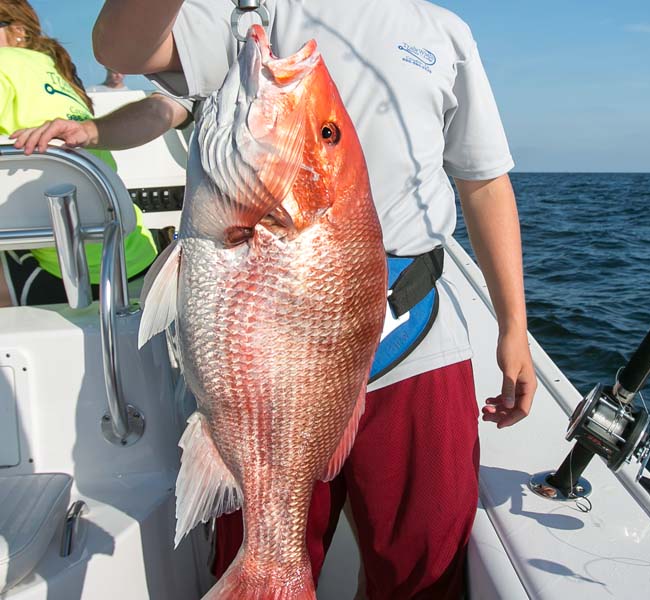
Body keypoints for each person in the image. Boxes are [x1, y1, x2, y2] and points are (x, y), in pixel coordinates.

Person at [94, 1, 537, 597]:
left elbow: (483, 181)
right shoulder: (250, 8)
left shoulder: (445, 31)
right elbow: (122, 49)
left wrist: (514, 325)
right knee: (260, 535)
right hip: (266, 356)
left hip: (414, 329)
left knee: (423, 560)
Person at [0, 0, 159, 306]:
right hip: (134, 258)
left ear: (18, 32)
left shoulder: (4, 66)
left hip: (60, 277)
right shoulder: (58, 73)